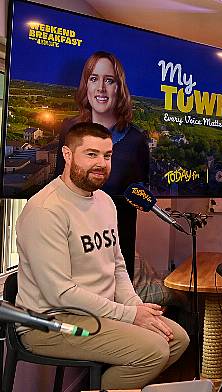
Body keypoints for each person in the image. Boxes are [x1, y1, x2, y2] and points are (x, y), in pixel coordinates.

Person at [16, 122, 188, 390]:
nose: (101, 163)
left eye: (107, 155)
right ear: (67, 154)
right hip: (51, 322)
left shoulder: (106, 202)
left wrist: (134, 306)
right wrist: (129, 316)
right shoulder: (46, 211)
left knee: (177, 338)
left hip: (96, 314)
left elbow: (117, 265)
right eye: (91, 154)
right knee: (155, 349)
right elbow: (59, 294)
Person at [55, 51, 150, 279]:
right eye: (94, 78)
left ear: (119, 88)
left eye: (109, 80)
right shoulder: (69, 130)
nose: (101, 88)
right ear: (86, 85)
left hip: (116, 249)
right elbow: (59, 184)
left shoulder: (136, 140)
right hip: (72, 242)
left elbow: (142, 190)